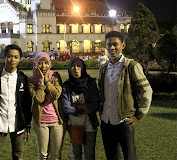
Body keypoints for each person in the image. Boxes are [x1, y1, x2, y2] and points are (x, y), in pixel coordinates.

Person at [98, 31, 153, 160]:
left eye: (115, 44)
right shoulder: (103, 68)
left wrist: (138, 115)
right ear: (105, 46)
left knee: (130, 156)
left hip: (124, 121)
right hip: (106, 120)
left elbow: (147, 90)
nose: (112, 47)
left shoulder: (131, 66)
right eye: (109, 44)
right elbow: (100, 90)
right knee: (111, 156)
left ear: (123, 45)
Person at [0, 44, 32, 160]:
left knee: (18, 156)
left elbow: (26, 104)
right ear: (4, 57)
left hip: (17, 124)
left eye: (16, 57)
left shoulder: (23, 79)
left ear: (20, 59)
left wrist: (27, 125)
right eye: (10, 56)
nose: (12, 60)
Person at [61, 57, 100, 160]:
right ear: (69, 69)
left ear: (83, 67)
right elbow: (66, 107)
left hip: (90, 123)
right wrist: (82, 109)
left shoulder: (90, 83)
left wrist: (77, 106)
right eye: (73, 66)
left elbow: (96, 104)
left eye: (78, 66)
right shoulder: (67, 85)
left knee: (89, 154)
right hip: (73, 124)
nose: (76, 69)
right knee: (76, 154)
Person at [28, 52, 65, 160]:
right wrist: (41, 81)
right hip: (41, 121)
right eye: (40, 63)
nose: (43, 66)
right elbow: (39, 99)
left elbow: (56, 94)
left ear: (50, 64)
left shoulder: (55, 76)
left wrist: (47, 81)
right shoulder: (31, 80)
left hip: (57, 121)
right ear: (35, 64)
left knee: (56, 155)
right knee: (43, 155)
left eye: (46, 63)